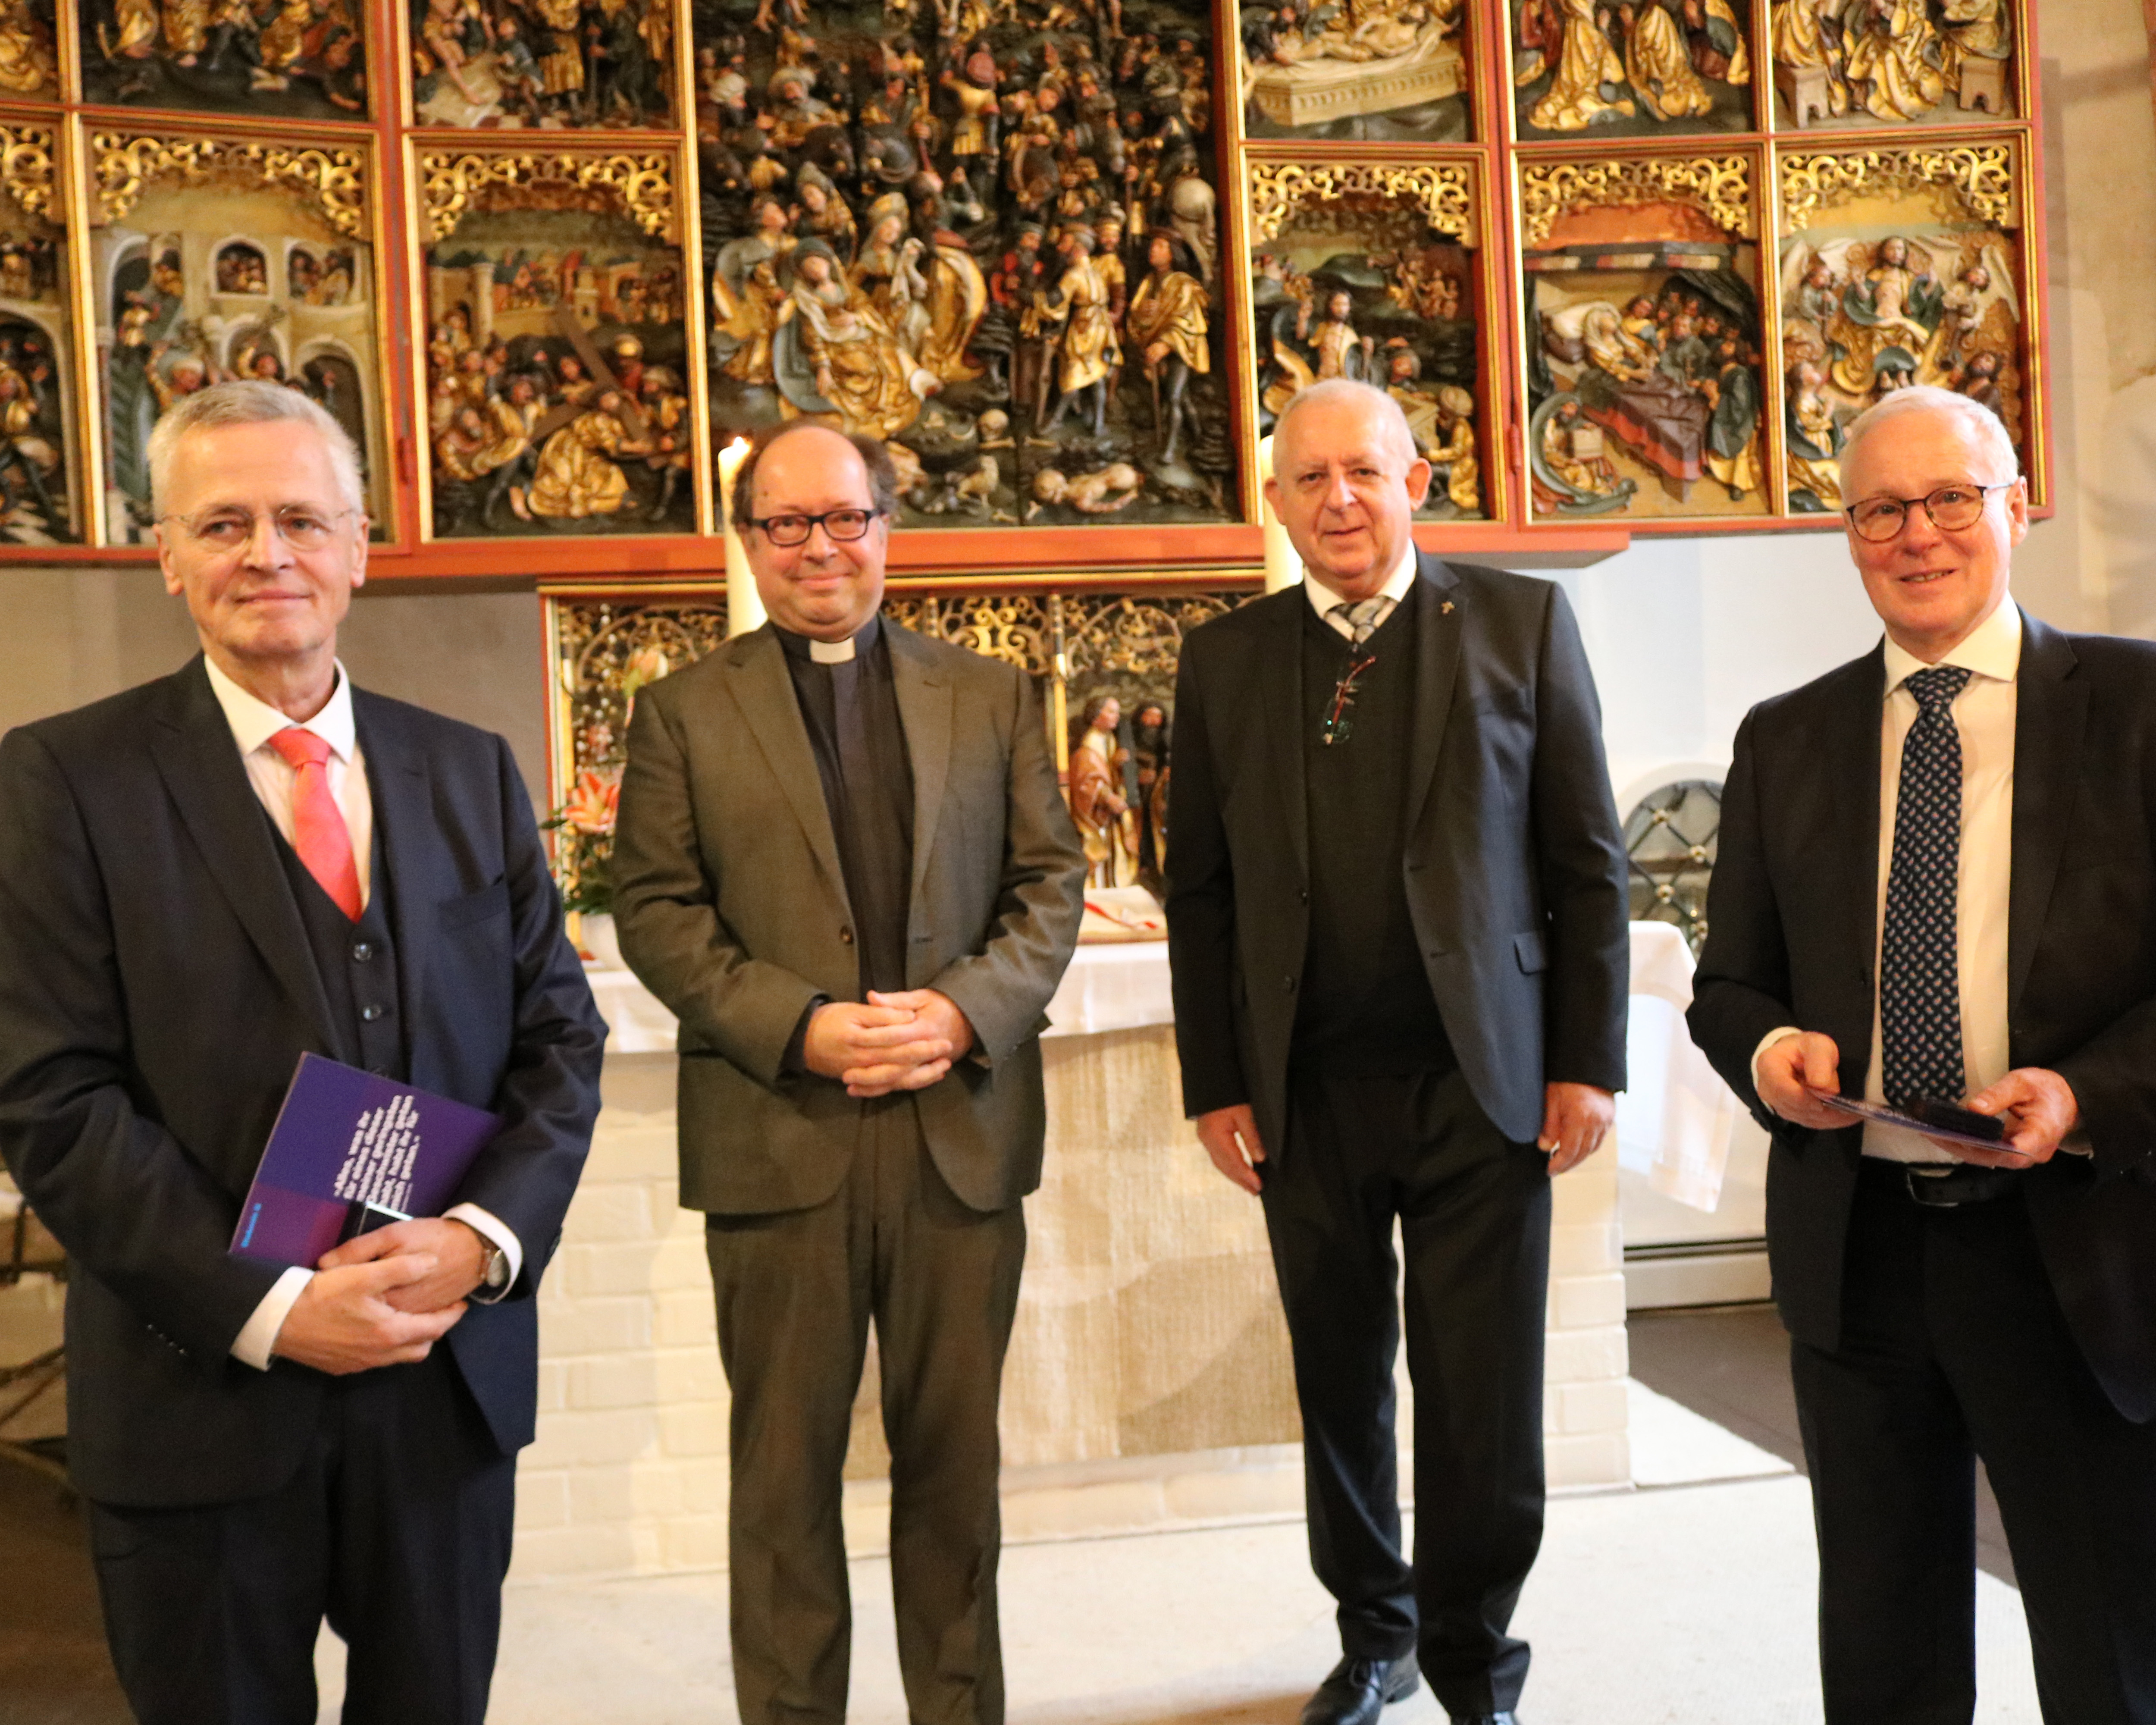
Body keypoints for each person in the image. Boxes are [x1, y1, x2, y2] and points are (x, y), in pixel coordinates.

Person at [0, 380, 605, 1725]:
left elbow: (561, 1035)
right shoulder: (62, 781)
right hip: (199, 1394)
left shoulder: (470, 770)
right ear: (168, 556)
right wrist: (271, 1306)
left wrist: (483, 1242)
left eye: (300, 520)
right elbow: (51, 1095)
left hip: (441, 1388)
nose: (267, 554)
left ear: (358, 548)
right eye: (224, 524)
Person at [1687, 385, 2156, 1725]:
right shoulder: (1788, 736)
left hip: (2073, 1243)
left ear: (2018, 508)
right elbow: (1728, 985)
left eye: (1951, 497)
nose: (1919, 534)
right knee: (1884, 1651)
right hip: (1863, 1252)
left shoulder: (2137, 705)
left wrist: (2081, 1095)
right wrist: (1773, 1052)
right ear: (1849, 536)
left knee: (2111, 1649)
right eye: (1882, 510)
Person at [1164, 378, 1629, 1725]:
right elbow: (1199, 891)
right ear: (1275, 501)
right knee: (1341, 1386)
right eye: (1309, 479)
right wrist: (1218, 1081)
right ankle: (1376, 1634)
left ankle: (1475, 1658)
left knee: (1483, 1396)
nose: (1339, 501)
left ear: (1415, 482)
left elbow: (1587, 862)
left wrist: (1587, 1058)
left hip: (1484, 1084)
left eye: (1363, 472)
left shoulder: (1521, 624)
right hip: (1305, 1093)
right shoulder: (1226, 660)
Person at [608, 421, 1086, 1725]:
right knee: (781, 1488)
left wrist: (965, 1013)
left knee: (955, 1480)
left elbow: (1050, 885)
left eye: (844, 518)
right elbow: (655, 911)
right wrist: (800, 1024)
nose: (819, 547)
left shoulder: (989, 695)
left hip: (956, 1137)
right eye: (787, 523)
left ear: (886, 526)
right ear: (750, 540)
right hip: (780, 1134)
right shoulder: (682, 713)